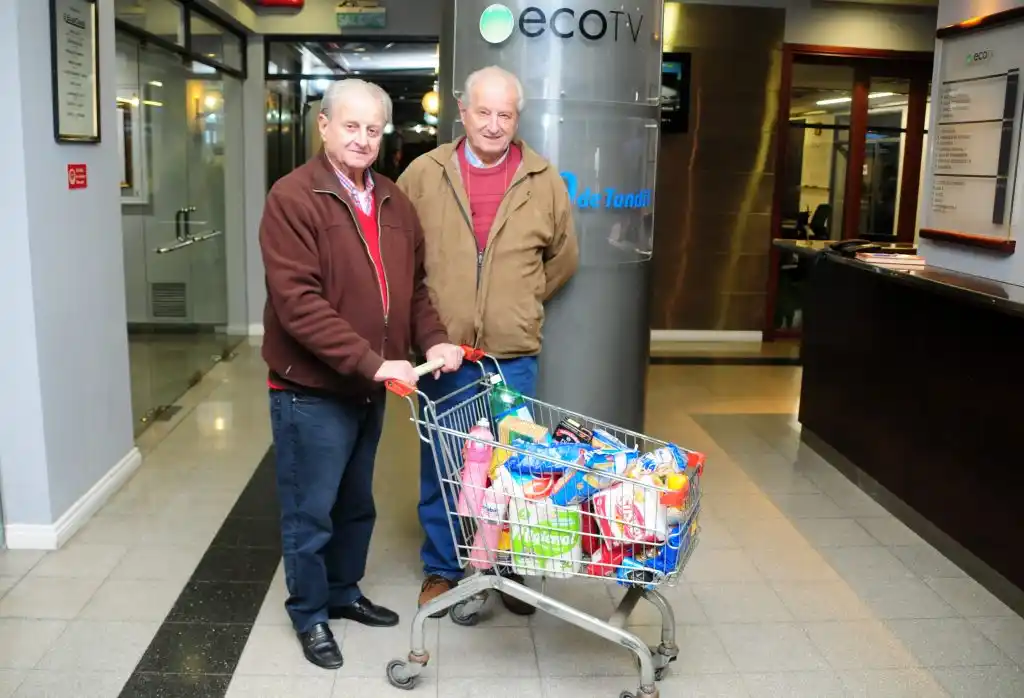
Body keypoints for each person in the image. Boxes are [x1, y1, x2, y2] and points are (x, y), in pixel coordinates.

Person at [259, 79, 464, 669]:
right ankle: (310, 614)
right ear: (323, 126)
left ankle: (344, 593)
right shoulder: (293, 198)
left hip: (367, 389)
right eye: (350, 126)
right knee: (311, 511)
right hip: (311, 391)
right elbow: (299, 305)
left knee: (355, 506)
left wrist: (437, 341)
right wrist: (375, 362)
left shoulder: (395, 201)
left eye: (373, 129)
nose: (363, 139)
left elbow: (414, 293)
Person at [397, 65, 579, 617]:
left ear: (517, 118)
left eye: (505, 114)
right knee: (445, 464)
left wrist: (516, 302)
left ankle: (506, 568)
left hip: (512, 356)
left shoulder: (544, 180)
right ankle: (443, 566)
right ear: (462, 110)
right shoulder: (424, 173)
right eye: (484, 112)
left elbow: (564, 258)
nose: (494, 125)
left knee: (517, 469)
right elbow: (400, 258)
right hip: (443, 353)